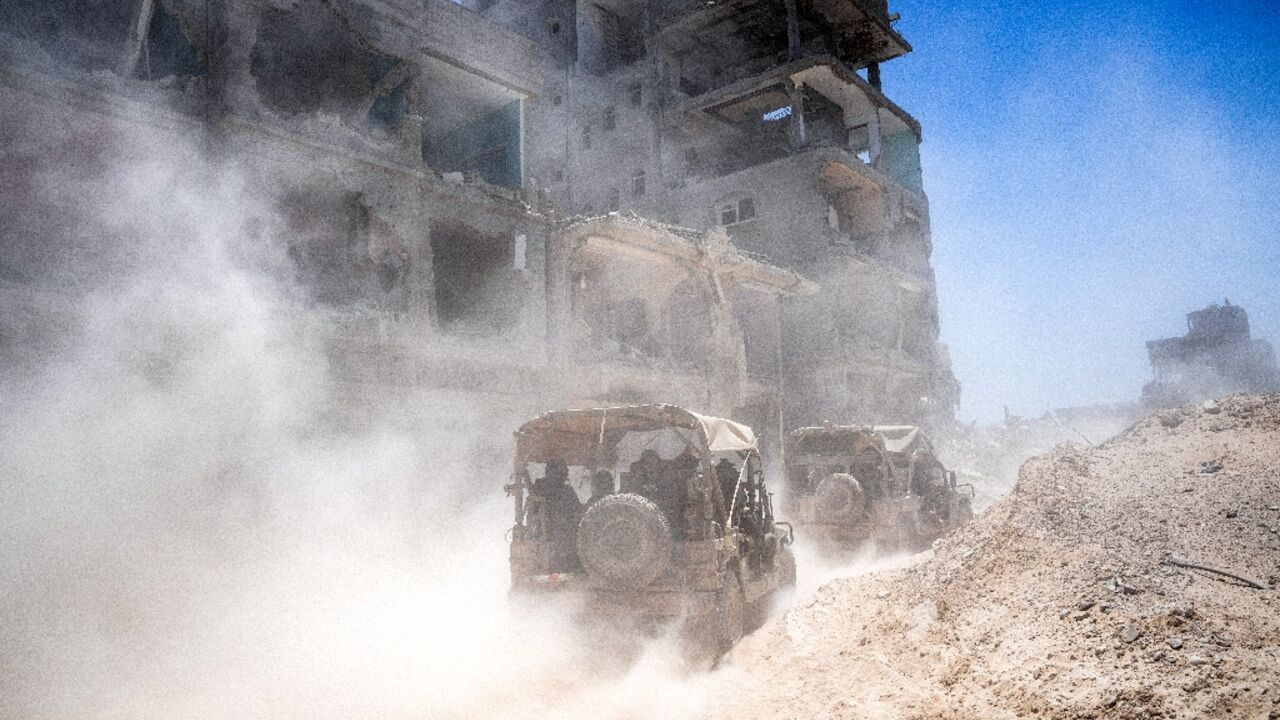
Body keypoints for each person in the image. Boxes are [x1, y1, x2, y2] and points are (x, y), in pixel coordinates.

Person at [531, 458, 583, 571]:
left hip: (557, 540)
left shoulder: (540, 489)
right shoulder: (564, 492)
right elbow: (577, 513)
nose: (565, 475)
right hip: (559, 540)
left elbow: (578, 512)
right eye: (563, 472)